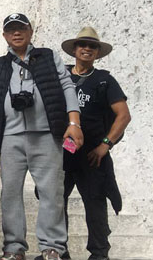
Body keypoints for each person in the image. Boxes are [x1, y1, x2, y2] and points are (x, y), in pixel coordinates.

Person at [0, 14, 82, 260]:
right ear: (5, 35)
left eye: (21, 28)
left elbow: (67, 86)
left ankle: (52, 247)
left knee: (51, 192)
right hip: (11, 137)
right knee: (11, 193)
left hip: (47, 134)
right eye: (11, 30)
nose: (17, 33)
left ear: (30, 31)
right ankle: (14, 248)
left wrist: (73, 122)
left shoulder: (48, 57)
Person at [60, 27, 130, 260]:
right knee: (55, 200)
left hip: (92, 152)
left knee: (96, 203)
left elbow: (123, 115)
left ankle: (99, 254)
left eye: (92, 46)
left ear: (98, 52)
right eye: (82, 45)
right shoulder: (60, 76)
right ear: (75, 50)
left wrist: (105, 145)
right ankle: (59, 250)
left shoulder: (104, 80)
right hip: (63, 151)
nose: (87, 49)